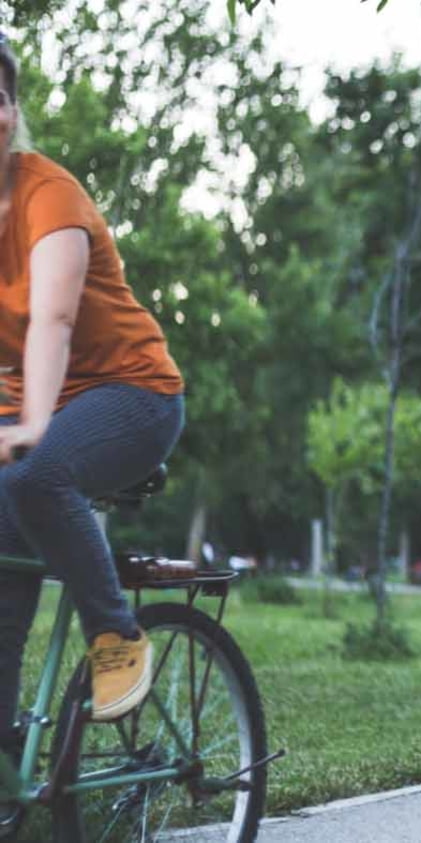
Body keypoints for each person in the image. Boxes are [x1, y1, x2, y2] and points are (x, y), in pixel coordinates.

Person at [0, 31, 184, 766]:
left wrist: (35, 423)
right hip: (28, 407)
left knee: (36, 471)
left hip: (131, 393)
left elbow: (54, 320)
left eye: (3, 96)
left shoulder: (49, 195)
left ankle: (118, 638)